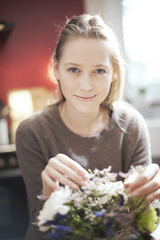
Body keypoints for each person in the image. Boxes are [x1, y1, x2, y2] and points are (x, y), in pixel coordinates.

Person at [16, 14, 160, 240]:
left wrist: (150, 199)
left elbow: (145, 228)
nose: (86, 85)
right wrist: (48, 194)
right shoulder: (32, 132)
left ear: (113, 73)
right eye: (73, 69)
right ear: (56, 69)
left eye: (99, 71)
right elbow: (39, 231)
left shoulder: (131, 125)